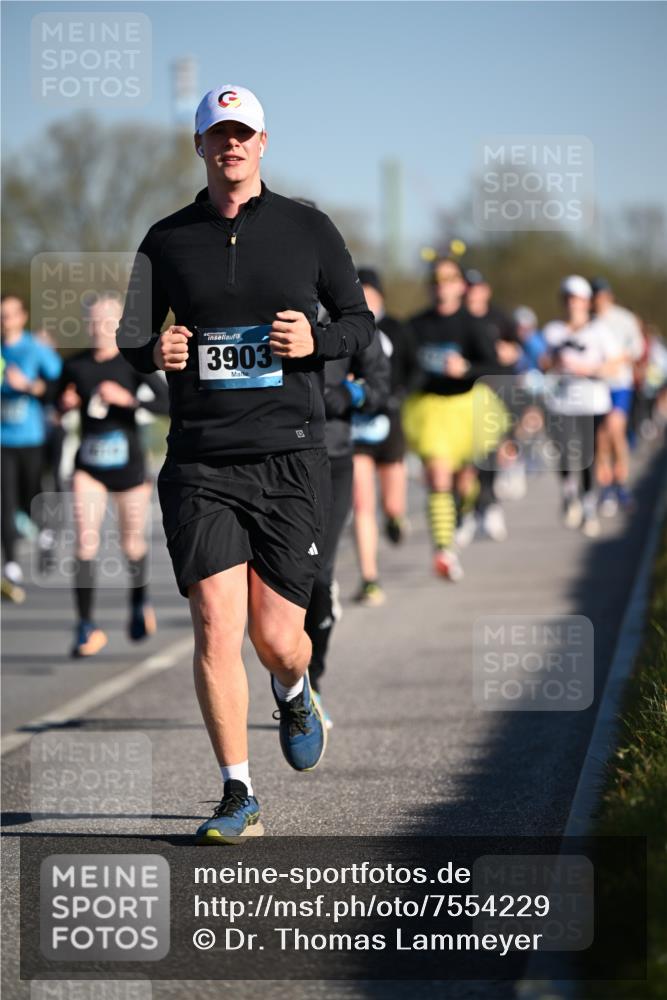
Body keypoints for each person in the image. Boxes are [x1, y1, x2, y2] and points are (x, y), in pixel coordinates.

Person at [117, 83, 375, 843]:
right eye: (216, 135)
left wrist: (317, 343)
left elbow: (358, 323)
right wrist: (149, 351)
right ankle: (237, 795)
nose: (230, 145)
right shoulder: (166, 239)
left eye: (243, 134)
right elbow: (133, 335)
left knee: (275, 637)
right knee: (212, 624)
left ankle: (294, 689)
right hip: (201, 461)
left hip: (290, 458)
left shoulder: (309, 228)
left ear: (264, 143)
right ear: (199, 147)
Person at [58, 294, 169, 656]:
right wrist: (63, 405)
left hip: (129, 467)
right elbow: (53, 405)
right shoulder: (75, 367)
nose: (99, 329)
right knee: (85, 541)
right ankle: (85, 626)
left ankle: (139, 604)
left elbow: (167, 404)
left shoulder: (132, 363)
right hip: (88, 465)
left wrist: (129, 401)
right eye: (93, 321)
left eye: (108, 322)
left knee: (131, 544)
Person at [305, 308, 389, 726]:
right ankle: (286, 669)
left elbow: (380, 386)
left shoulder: (351, 317)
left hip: (334, 458)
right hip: (271, 459)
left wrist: (349, 397)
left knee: (318, 575)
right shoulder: (271, 302)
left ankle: (311, 684)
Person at [403, 258, 504, 581]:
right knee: (437, 476)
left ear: (461, 286)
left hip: (468, 406)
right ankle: (444, 550)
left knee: (464, 480)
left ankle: (465, 511)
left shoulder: (472, 324)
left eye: (449, 279)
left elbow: (494, 366)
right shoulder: (416, 325)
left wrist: (467, 370)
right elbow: (403, 367)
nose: (442, 285)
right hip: (430, 409)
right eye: (436, 279)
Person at [351, 267, 415, 606]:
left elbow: (415, 368)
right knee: (362, 503)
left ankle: (395, 518)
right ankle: (369, 578)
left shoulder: (396, 329)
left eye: (369, 292)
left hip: (388, 420)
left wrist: (401, 393)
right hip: (355, 425)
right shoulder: (341, 327)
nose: (365, 298)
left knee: (391, 503)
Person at [542, 276, 617, 538]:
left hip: (592, 400)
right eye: (568, 299)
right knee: (562, 450)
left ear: (586, 302)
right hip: (561, 401)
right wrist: (553, 361)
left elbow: (614, 365)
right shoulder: (553, 331)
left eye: (577, 299)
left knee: (588, 455)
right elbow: (541, 363)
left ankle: (588, 505)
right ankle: (569, 492)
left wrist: (588, 369)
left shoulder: (600, 331)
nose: (572, 304)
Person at [1, 294, 62, 602]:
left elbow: (56, 386)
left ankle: (47, 534)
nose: (5, 321)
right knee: (4, 500)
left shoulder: (34, 349)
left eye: (10, 315)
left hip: (32, 437)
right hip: (3, 440)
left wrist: (27, 385)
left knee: (30, 497)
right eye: (1, 316)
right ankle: (10, 565)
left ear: (22, 317)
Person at [462, 269, 521, 544]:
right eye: (468, 287)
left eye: (477, 287)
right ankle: (472, 510)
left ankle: (490, 505)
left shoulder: (499, 318)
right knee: (469, 455)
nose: (472, 292)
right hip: (468, 393)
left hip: (498, 389)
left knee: (493, 450)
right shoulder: (458, 318)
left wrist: (506, 352)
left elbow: (517, 349)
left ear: (486, 290)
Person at [590, 277, 644, 515]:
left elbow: (636, 349)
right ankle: (606, 486)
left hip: (619, 383)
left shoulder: (624, 319)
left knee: (615, 428)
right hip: (596, 385)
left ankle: (621, 482)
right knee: (601, 436)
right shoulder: (589, 321)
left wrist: (615, 360)